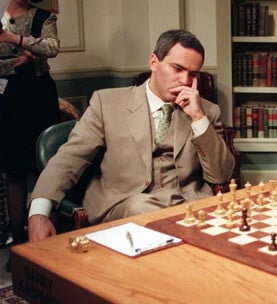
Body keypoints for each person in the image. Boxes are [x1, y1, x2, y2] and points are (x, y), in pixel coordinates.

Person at [27, 29, 235, 242]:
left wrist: (198, 118)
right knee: (142, 208)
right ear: (154, 62)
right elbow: (70, 158)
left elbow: (220, 176)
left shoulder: (207, 111)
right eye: (178, 68)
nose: (185, 80)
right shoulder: (106, 103)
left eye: (193, 74)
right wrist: (39, 212)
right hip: (125, 205)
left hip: (188, 209)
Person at [0, 0, 60, 246]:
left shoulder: (43, 16)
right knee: (13, 170)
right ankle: (18, 240)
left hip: (38, 95)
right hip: (7, 97)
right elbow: (37, 51)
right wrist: (17, 61)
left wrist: (13, 38)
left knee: (46, 166)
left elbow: (52, 47)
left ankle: (47, 240)